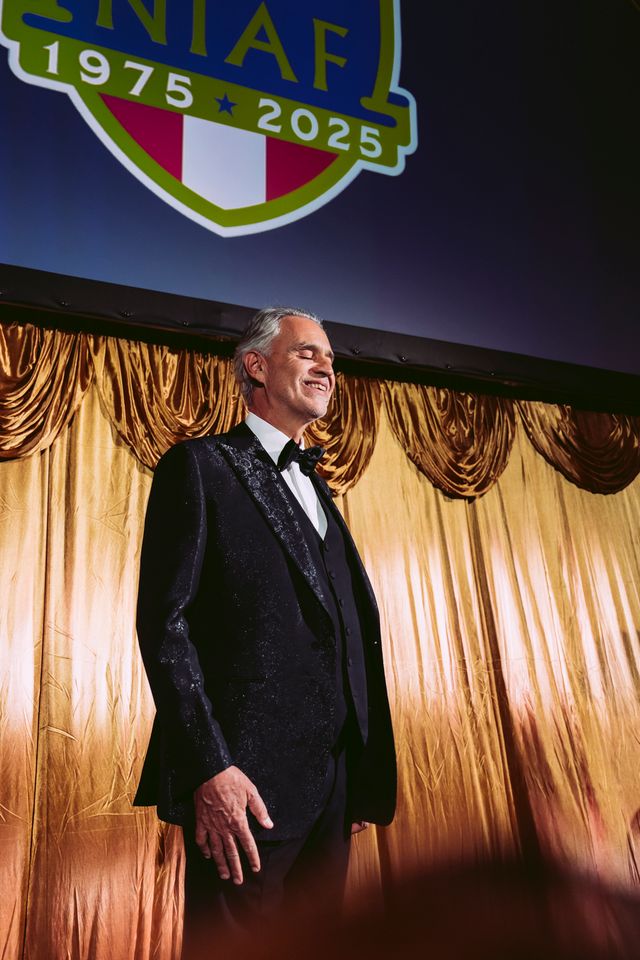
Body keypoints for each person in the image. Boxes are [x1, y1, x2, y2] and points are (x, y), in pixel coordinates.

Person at [134, 307, 396, 948]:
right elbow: (164, 626)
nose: (326, 367)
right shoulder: (200, 467)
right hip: (242, 789)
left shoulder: (320, 487)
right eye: (307, 353)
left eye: (330, 358)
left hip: (334, 790)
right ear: (256, 365)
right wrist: (209, 768)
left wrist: (355, 773)